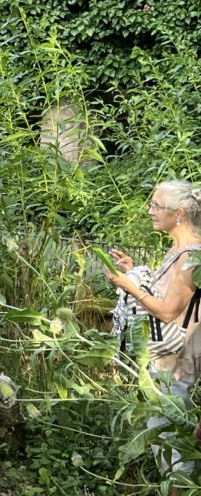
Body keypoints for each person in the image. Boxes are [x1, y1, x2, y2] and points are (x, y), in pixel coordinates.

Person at [104, 181, 201, 484]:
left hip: (177, 362)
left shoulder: (192, 257)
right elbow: (162, 291)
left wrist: (129, 285)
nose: (150, 211)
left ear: (180, 214)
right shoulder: (177, 250)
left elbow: (168, 311)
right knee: (162, 437)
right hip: (164, 359)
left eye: (157, 206)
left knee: (170, 444)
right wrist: (132, 268)